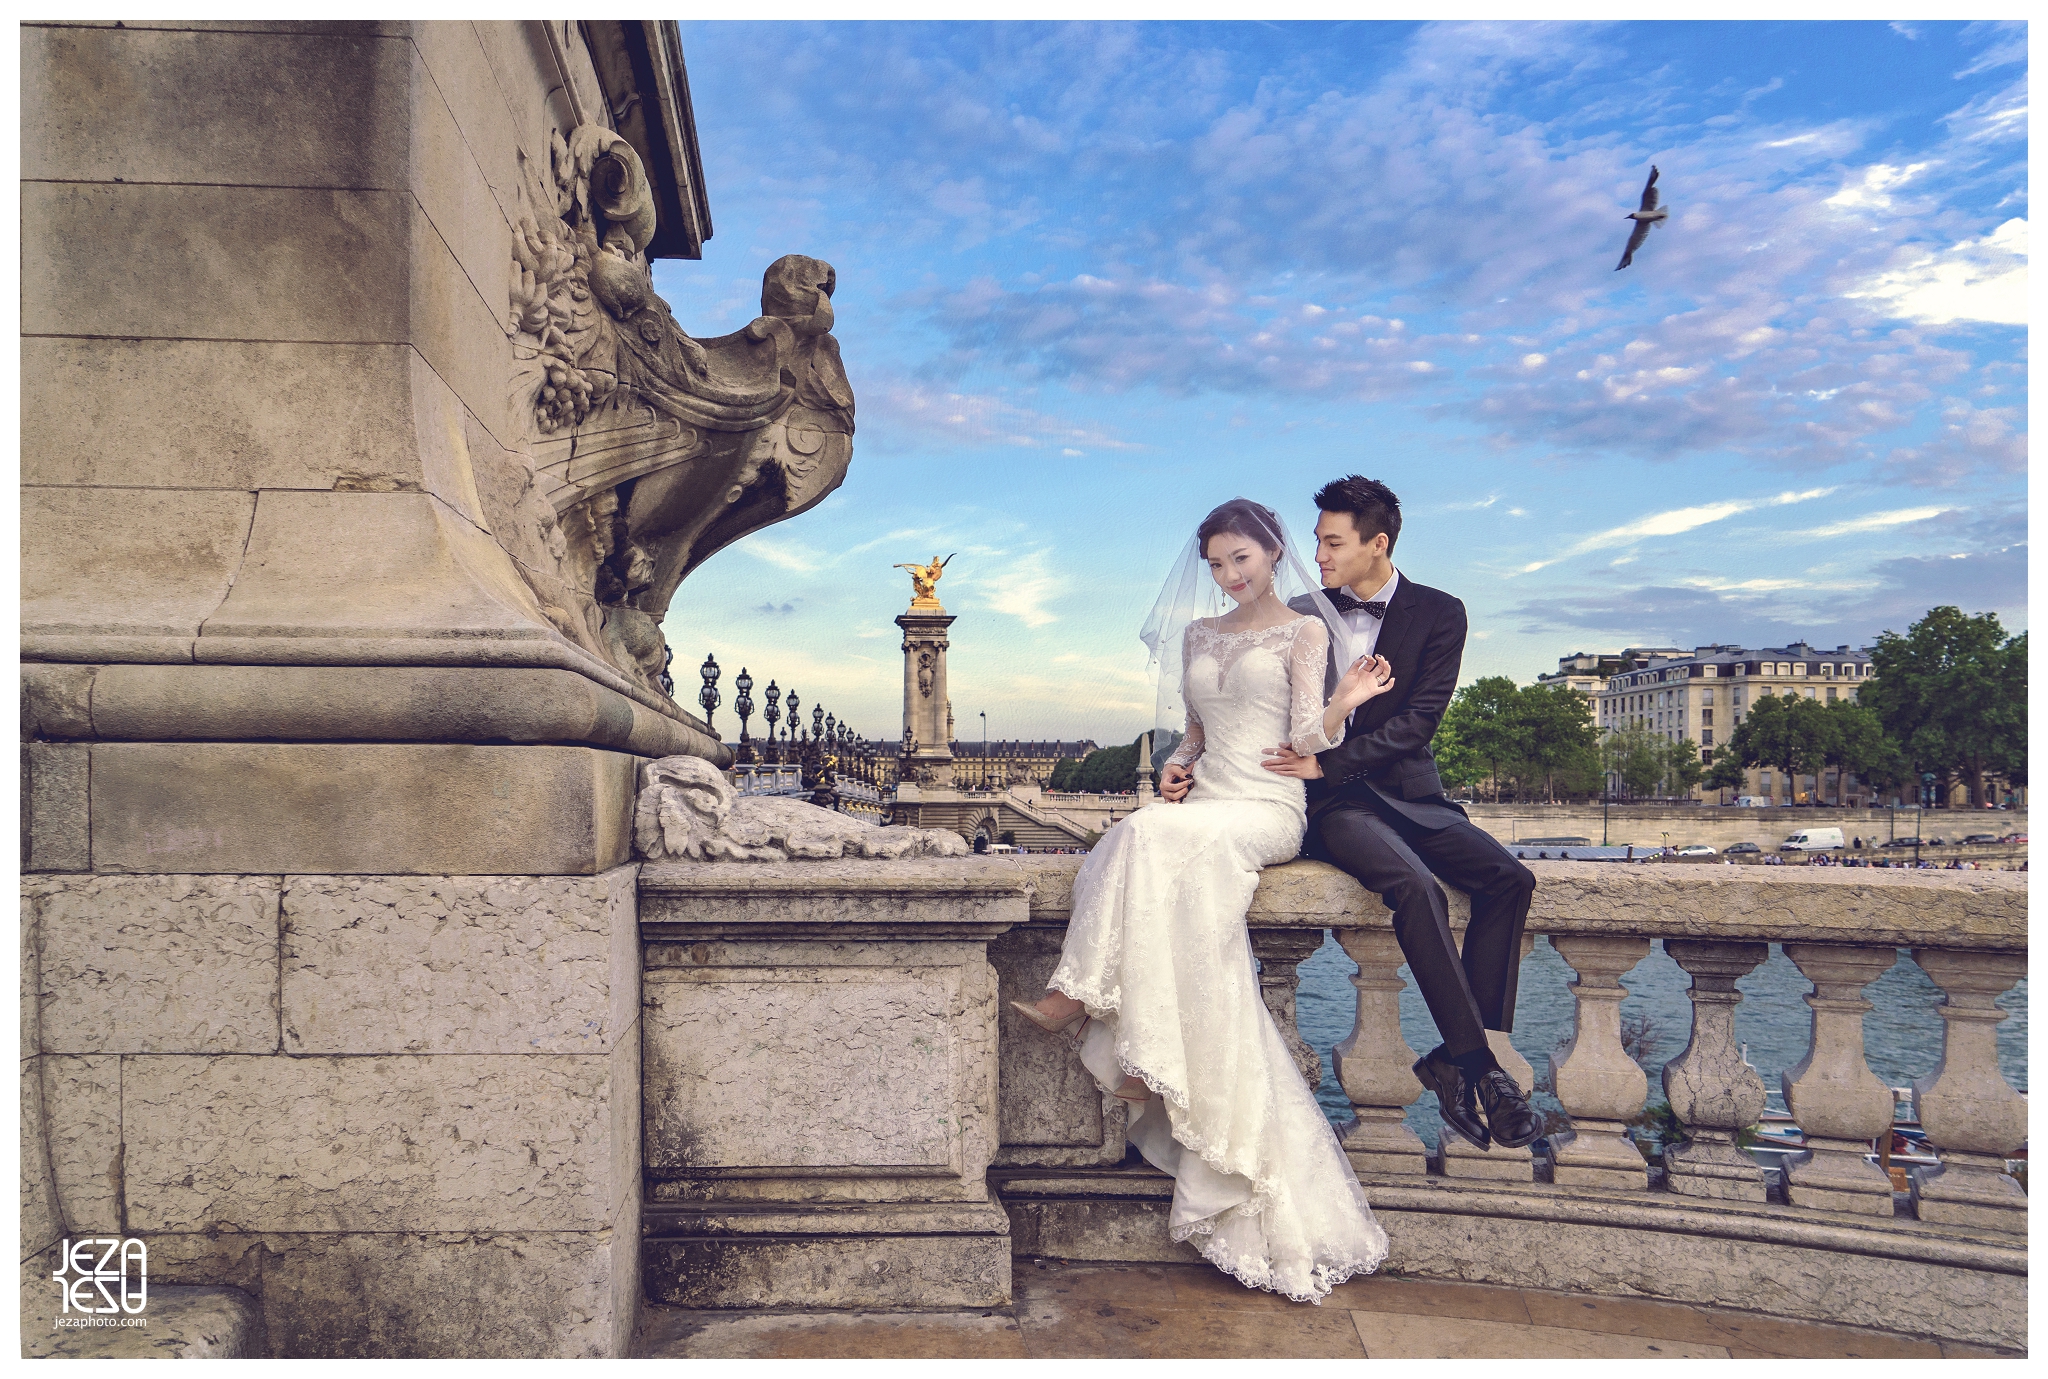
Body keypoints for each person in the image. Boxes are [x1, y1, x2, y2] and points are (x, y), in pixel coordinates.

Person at [1011, 498, 1389, 1304]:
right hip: (1207, 800)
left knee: (1144, 834)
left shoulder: (1304, 631)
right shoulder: (1198, 635)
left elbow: (1303, 737)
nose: (1228, 575)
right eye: (1216, 563)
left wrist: (1344, 702)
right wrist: (1177, 767)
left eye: (1240, 559)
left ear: (1273, 553)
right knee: (1137, 831)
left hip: (1266, 807)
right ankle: (1137, 1051)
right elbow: (1195, 731)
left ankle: (1080, 1000)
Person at [1260, 476, 1542, 1154]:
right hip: (1333, 805)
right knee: (1415, 886)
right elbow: (1273, 714)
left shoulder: (1442, 612)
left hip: (1407, 792)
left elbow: (1419, 721)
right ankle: (1480, 1069)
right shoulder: (1298, 614)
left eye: (1333, 542)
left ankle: (1461, 1054)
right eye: (1318, 540)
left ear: (1378, 543)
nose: (1318, 555)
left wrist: (1329, 761)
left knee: (1510, 879)